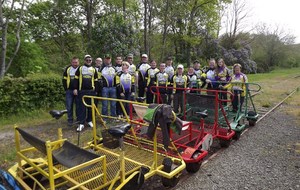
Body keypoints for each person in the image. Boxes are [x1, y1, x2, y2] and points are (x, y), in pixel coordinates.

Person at [73, 55, 98, 131]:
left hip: (91, 91)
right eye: (87, 60)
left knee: (91, 107)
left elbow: (96, 81)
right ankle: (81, 123)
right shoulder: (80, 68)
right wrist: (75, 89)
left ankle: (89, 120)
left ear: (91, 61)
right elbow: (75, 79)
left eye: (90, 60)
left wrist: (96, 90)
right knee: (81, 107)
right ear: (84, 60)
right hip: (82, 91)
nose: (88, 61)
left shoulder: (93, 69)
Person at [62, 57, 80, 126]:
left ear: (78, 62)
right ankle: (70, 120)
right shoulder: (68, 69)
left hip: (78, 90)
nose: (75, 64)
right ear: (71, 62)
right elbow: (64, 79)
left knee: (78, 106)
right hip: (69, 91)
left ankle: (78, 119)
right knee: (69, 106)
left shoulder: (81, 69)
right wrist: (66, 88)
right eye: (73, 62)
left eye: (76, 62)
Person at [99, 54, 117, 118]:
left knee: (113, 104)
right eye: (106, 59)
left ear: (110, 59)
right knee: (105, 104)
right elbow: (99, 79)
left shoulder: (114, 68)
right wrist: (101, 87)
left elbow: (117, 78)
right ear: (104, 60)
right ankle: (104, 117)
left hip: (113, 88)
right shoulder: (101, 68)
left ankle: (113, 116)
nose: (107, 60)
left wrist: (117, 86)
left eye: (109, 59)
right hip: (105, 88)